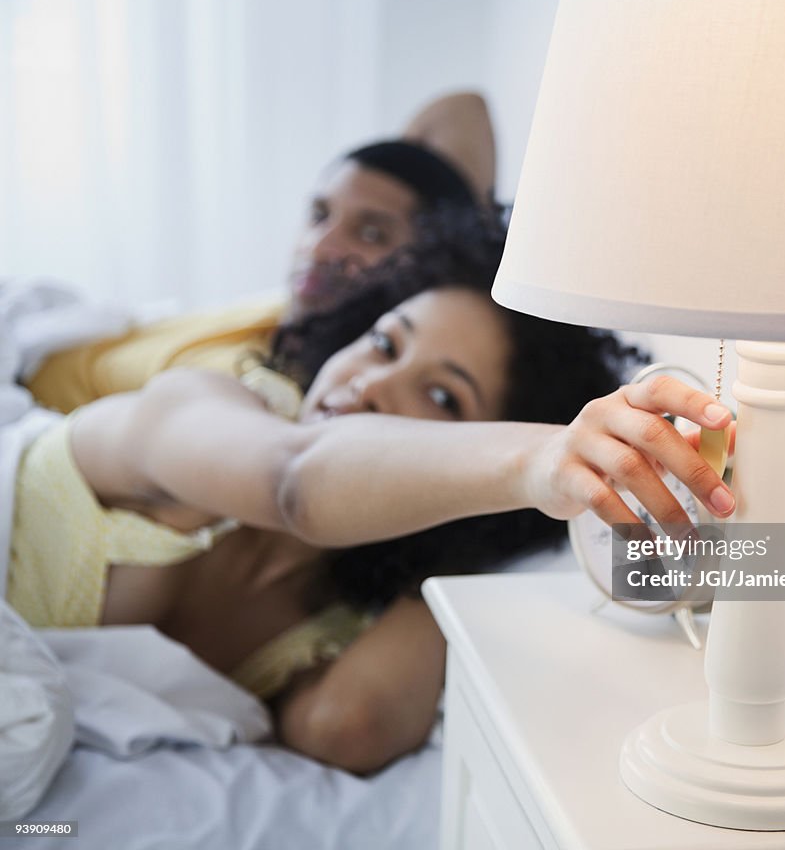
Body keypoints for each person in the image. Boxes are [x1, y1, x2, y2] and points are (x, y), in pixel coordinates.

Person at [7, 225, 737, 774]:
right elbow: (295, 479)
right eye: (387, 344)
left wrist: (484, 531)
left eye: (443, 396)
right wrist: (545, 457)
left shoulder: (345, 610)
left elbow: (344, 726)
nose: (373, 385)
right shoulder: (198, 405)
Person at [25, 91, 497, 414]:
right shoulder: (287, 315)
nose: (322, 246)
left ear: (424, 262)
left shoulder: (276, 397)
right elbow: (462, 108)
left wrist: (457, 253)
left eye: (371, 234)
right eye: (319, 214)